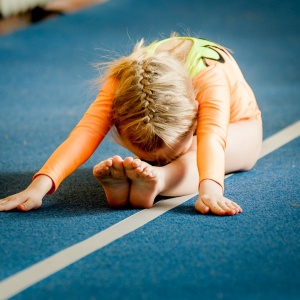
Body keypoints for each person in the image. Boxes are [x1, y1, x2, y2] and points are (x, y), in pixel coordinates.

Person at [0, 34, 262, 216]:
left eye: (162, 158)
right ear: (116, 118)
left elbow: (213, 137)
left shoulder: (209, 80)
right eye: (154, 160)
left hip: (241, 127)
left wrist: (211, 189)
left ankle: (161, 180)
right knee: (186, 149)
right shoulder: (122, 80)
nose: (160, 159)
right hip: (181, 131)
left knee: (195, 150)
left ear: (194, 110)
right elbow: (86, 132)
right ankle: (146, 182)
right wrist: (39, 187)